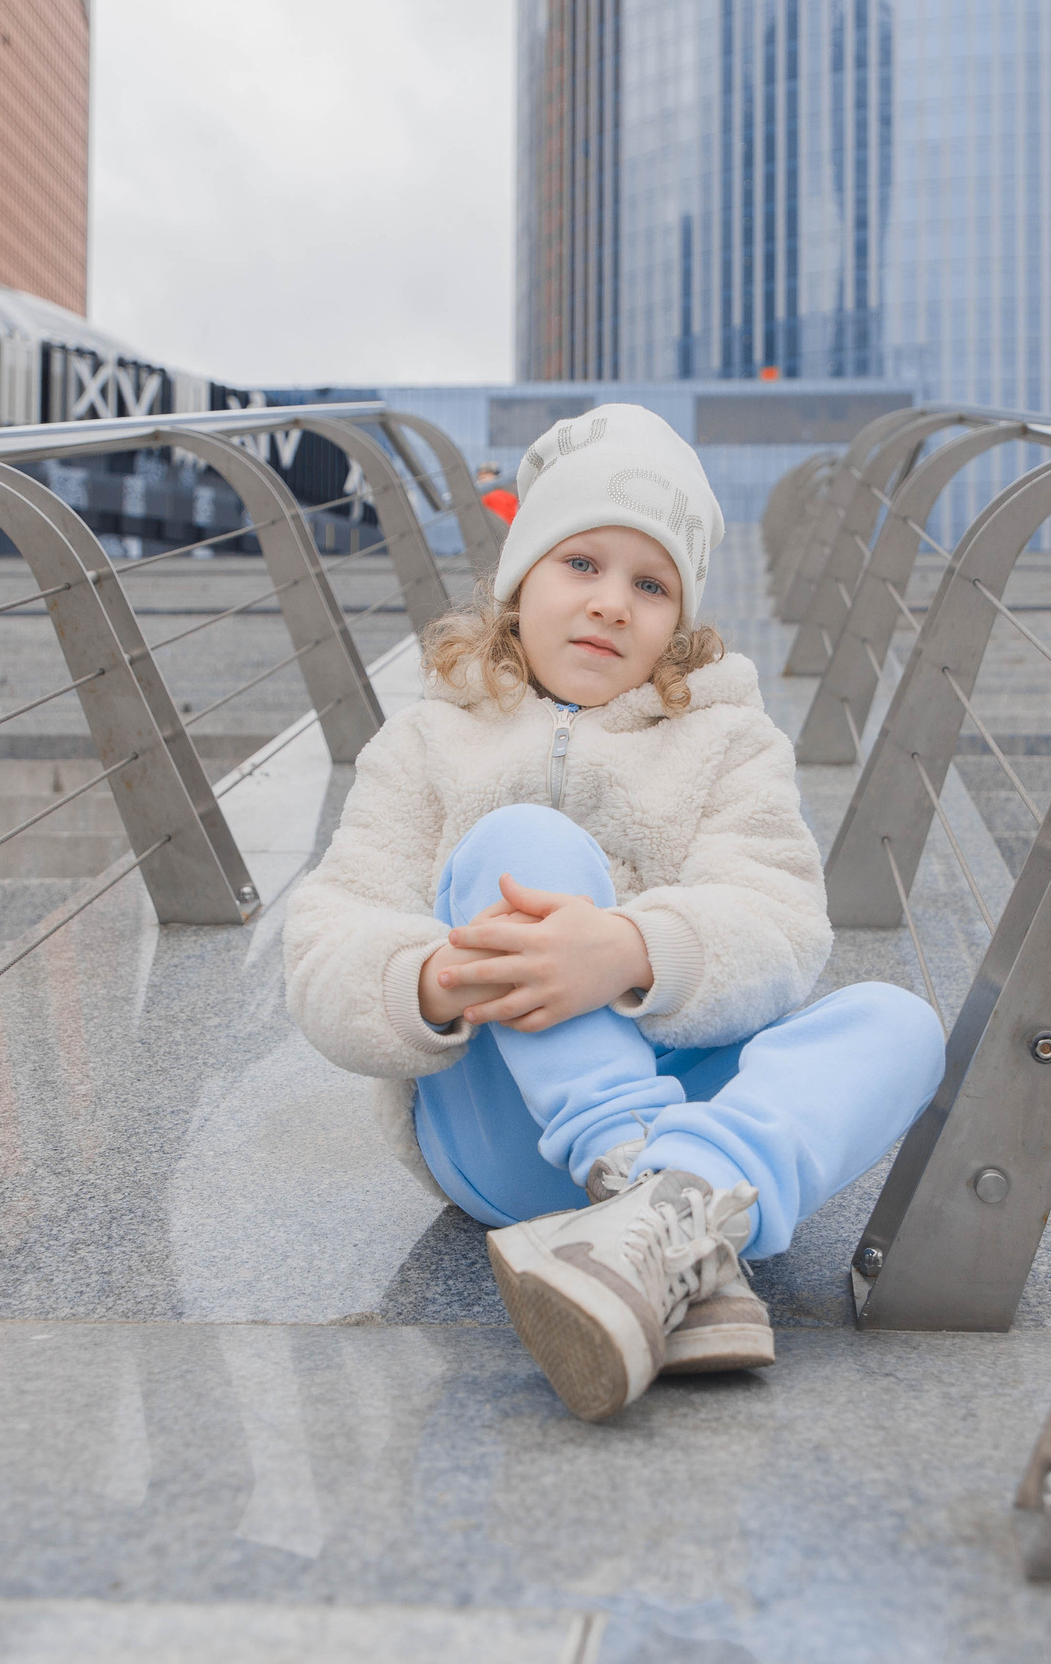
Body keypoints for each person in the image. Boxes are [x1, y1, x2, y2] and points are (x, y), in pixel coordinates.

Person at [284, 404, 944, 1423]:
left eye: (649, 584)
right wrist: (432, 980)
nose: (610, 605)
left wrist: (634, 952)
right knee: (517, 845)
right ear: (519, 584)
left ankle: (671, 1226)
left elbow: (777, 924)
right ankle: (659, 1208)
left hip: (692, 1094)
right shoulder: (427, 742)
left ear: (679, 620)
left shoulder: (729, 742)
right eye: (580, 564)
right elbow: (328, 933)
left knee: (903, 1028)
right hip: (505, 1130)